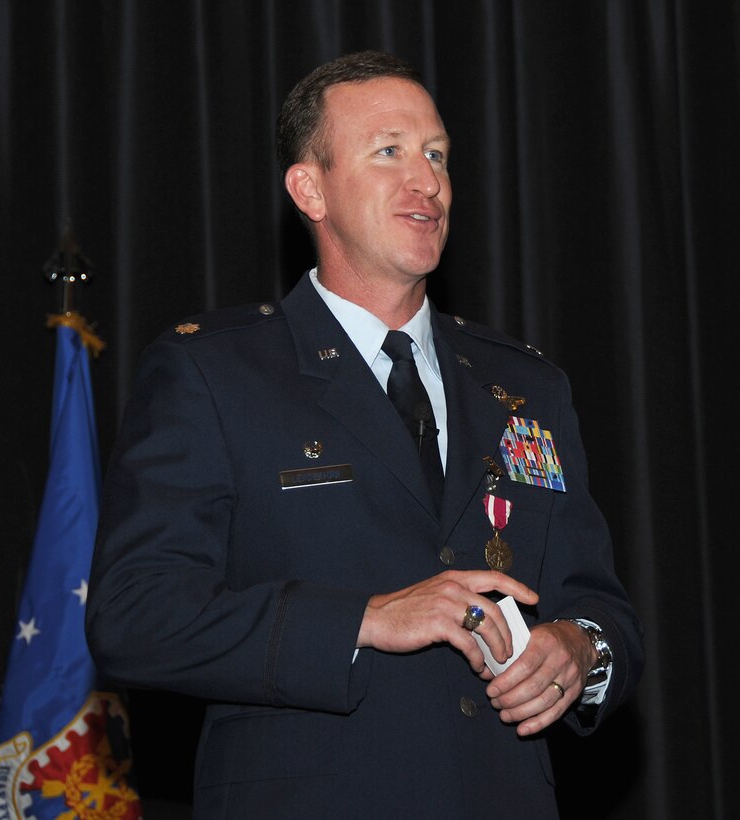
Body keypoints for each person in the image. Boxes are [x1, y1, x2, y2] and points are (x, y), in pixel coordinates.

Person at [86, 50, 643, 818]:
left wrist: (581, 650)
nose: (428, 182)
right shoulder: (213, 372)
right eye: (390, 152)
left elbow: (596, 601)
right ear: (309, 188)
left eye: (437, 155)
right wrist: (363, 620)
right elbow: (133, 616)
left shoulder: (527, 385)